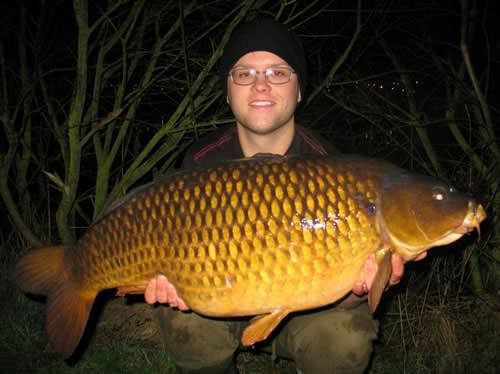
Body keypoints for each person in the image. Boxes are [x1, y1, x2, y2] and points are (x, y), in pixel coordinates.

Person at [144, 17, 425, 373]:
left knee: (345, 338)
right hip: (223, 301)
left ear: (300, 89)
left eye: (278, 73)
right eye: (245, 74)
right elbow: (174, 251)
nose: (260, 86)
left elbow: (348, 301)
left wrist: (360, 288)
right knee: (181, 321)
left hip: (305, 314)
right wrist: (171, 284)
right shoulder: (202, 162)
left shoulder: (330, 166)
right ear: (227, 90)